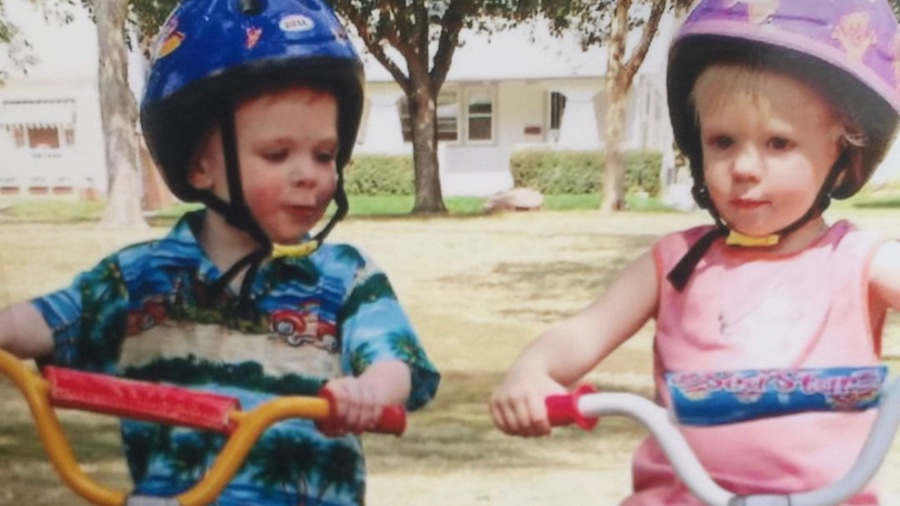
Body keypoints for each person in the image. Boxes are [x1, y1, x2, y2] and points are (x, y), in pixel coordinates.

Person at [0, 0, 440, 503]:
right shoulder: (142, 279)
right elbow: (44, 322)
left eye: (326, 154)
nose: (310, 174)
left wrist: (369, 392)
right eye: (277, 154)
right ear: (198, 167)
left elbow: (391, 363)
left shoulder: (343, 279)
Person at [490, 0, 900, 503]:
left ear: (845, 154)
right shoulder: (676, 264)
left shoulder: (857, 261)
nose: (745, 167)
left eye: (778, 143)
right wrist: (534, 373)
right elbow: (581, 333)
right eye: (723, 141)